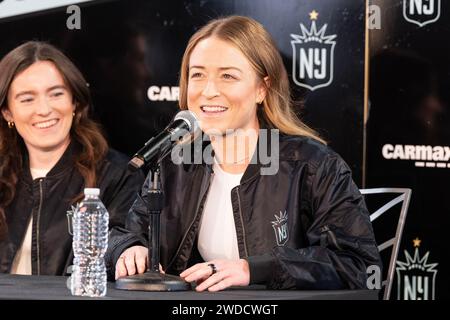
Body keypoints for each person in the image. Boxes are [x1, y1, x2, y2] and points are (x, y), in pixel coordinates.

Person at [107, 15, 381, 291]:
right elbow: (124, 235)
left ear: (262, 88)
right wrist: (128, 249)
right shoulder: (175, 163)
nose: (209, 91)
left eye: (228, 76)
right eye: (198, 74)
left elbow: (358, 264)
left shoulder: (313, 165)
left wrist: (256, 268)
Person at [0, 41, 144, 275]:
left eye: (56, 94)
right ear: (8, 112)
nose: (44, 109)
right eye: (27, 99)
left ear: (74, 101)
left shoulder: (117, 176)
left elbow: (122, 252)